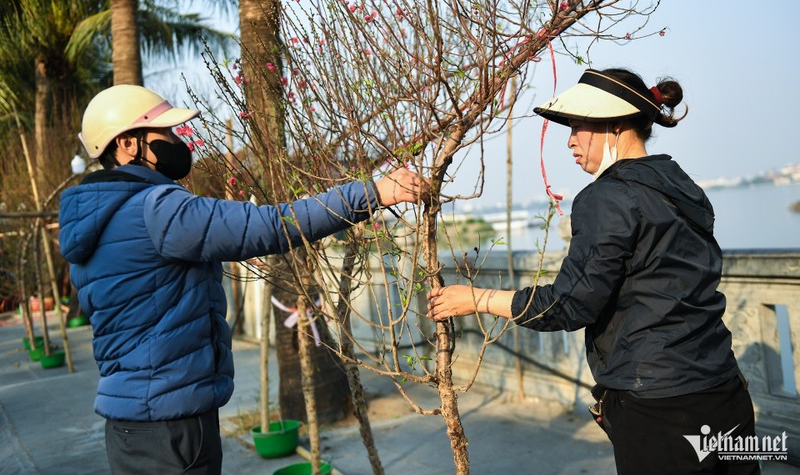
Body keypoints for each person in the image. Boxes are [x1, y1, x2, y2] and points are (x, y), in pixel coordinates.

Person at [59, 84, 427, 474]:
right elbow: (269, 226)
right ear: (129, 144)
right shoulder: (157, 210)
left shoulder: (92, 226)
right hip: (172, 425)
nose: (176, 141)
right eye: (164, 134)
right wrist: (373, 193)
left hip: (127, 422)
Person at [427, 68, 760, 475]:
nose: (570, 140)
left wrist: (477, 299)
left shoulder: (607, 197)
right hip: (723, 390)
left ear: (616, 126)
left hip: (660, 407)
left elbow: (569, 305)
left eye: (579, 126)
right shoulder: (684, 186)